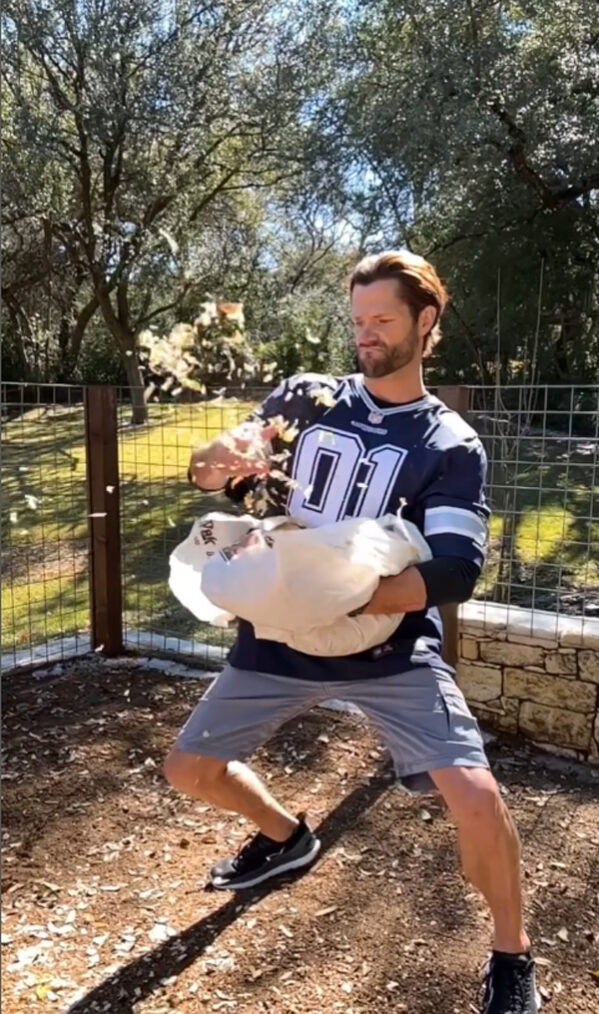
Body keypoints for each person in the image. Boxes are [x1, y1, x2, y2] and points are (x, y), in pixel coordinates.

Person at [165, 251, 539, 1014]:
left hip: (388, 646)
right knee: (189, 770)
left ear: (424, 322)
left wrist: (345, 603)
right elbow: (214, 468)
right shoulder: (306, 400)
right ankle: (284, 836)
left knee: (474, 795)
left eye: (382, 320)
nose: (365, 335)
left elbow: (453, 573)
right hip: (278, 637)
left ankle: (511, 955)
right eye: (358, 320)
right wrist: (217, 463)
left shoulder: (449, 443)